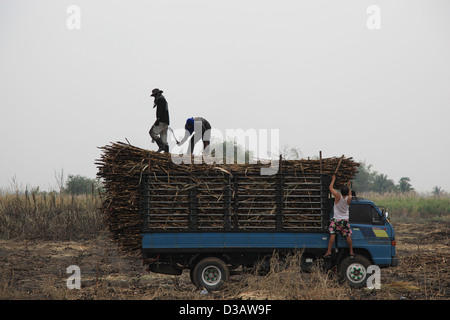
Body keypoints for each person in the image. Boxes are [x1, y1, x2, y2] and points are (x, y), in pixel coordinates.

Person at [323, 175, 355, 259]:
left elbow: (330, 188)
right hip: (344, 220)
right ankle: (351, 251)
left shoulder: (337, 196)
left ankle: (329, 251)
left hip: (336, 220)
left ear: (340, 191)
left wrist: (333, 179)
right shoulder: (349, 198)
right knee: (348, 235)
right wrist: (348, 186)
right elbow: (350, 193)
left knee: (332, 235)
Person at [149, 88, 170, 153]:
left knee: (152, 132)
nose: (154, 97)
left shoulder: (160, 99)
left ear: (158, 94)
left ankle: (161, 146)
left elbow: (160, 110)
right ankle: (166, 153)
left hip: (161, 120)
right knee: (164, 138)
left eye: (155, 95)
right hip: (166, 121)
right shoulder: (164, 99)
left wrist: (158, 119)